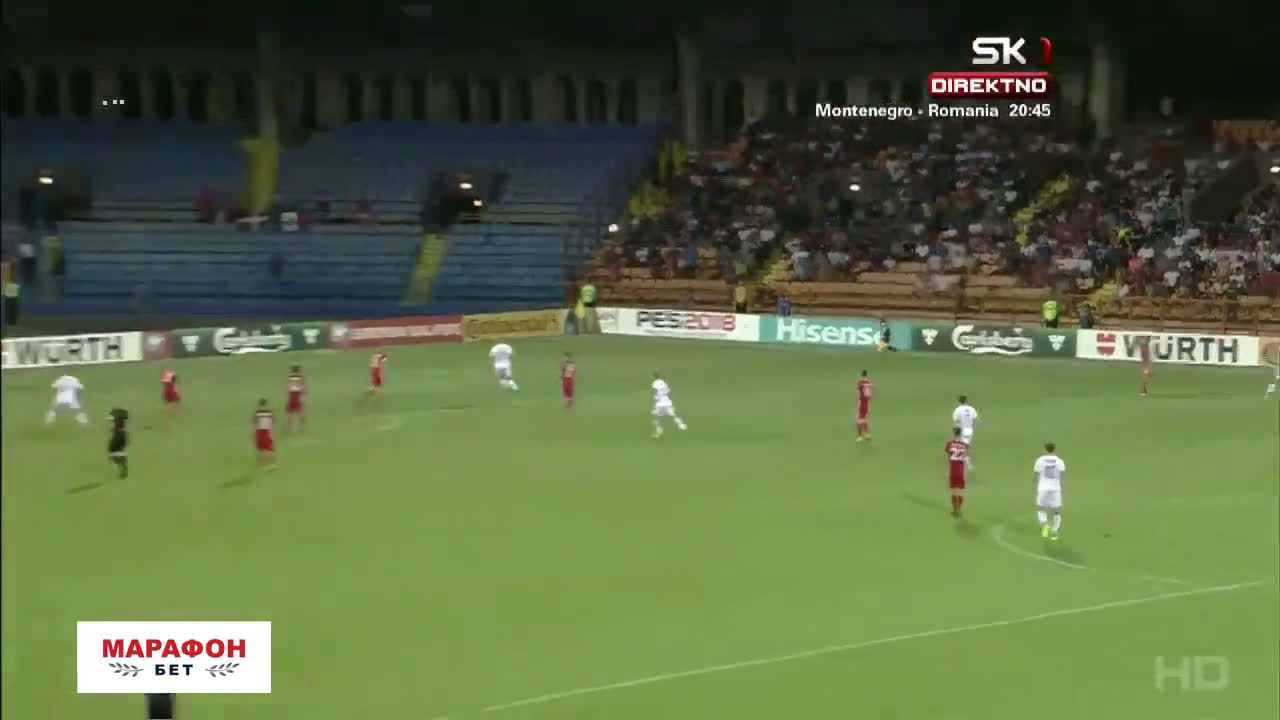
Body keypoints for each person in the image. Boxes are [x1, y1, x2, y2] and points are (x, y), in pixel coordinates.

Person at [1034, 442, 1066, 540]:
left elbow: (1036, 474)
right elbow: (1062, 475)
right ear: (1054, 449)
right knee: (1056, 512)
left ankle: (1045, 524)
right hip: (1055, 489)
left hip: (1043, 488)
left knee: (1041, 509)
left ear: (1045, 449)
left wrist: (1037, 484)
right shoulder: (1059, 461)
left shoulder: (1040, 460)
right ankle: (1055, 531)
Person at [650, 372, 688, 438]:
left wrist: (656, 398)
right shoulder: (664, 384)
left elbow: (656, 392)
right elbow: (668, 391)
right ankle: (681, 425)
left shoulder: (655, 383)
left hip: (660, 404)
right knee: (673, 414)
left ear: (654, 377)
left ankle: (659, 431)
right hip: (667, 402)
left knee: (656, 418)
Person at [945, 428, 968, 517]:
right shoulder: (964, 445)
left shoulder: (949, 443)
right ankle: (959, 509)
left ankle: (954, 509)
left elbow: (948, 456)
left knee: (954, 490)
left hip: (953, 468)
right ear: (960, 434)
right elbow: (965, 457)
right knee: (960, 491)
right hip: (960, 468)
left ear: (954, 433)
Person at [252, 399, 276, 467]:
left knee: (260, 450)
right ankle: (272, 464)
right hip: (267, 432)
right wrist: (272, 434)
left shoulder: (257, 413)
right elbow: (273, 422)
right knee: (270, 450)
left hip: (259, 432)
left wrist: (253, 434)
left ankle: (261, 465)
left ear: (259, 405)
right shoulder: (269, 412)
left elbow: (254, 424)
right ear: (266, 404)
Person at [107, 407, 129, 478]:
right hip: (122, 436)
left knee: (112, 452)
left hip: (118, 437)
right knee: (118, 451)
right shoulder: (121, 421)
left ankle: (122, 464)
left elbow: (113, 426)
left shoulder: (116, 420)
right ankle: (123, 464)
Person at [285, 364, 306, 433]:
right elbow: (303, 387)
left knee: (289, 413)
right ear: (298, 370)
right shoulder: (301, 378)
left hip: (291, 395)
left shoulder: (290, 377)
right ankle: (302, 428)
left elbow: (287, 387)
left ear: (292, 370)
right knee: (300, 413)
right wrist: (303, 396)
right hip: (298, 395)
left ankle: (289, 430)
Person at [855, 369, 873, 441]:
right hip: (866, 403)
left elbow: (858, 392)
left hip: (861, 403)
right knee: (864, 419)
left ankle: (859, 437)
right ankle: (868, 434)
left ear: (861, 375)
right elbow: (870, 395)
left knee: (858, 420)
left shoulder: (860, 383)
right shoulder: (869, 382)